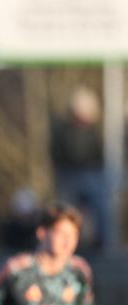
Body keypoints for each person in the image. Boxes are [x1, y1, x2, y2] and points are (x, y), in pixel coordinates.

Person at [49, 86, 108, 250]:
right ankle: (67, 244)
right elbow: (59, 154)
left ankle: (100, 244)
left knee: (101, 205)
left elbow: (98, 155)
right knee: (66, 210)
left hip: (90, 176)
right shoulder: (64, 131)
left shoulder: (93, 133)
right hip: (69, 176)